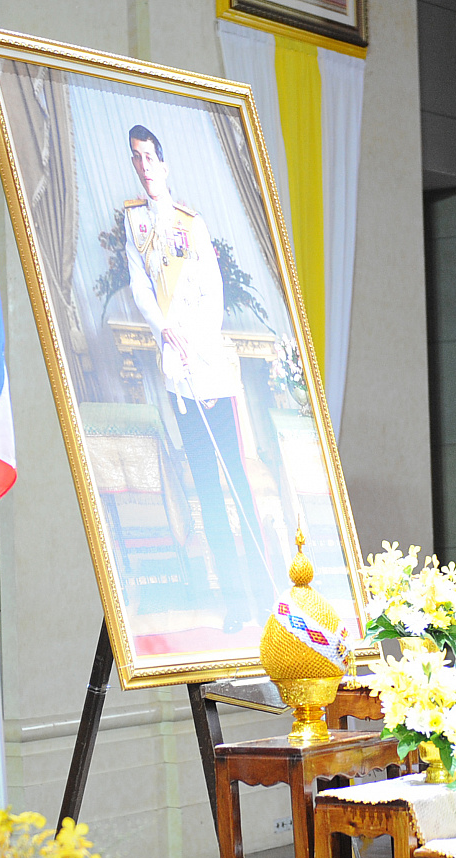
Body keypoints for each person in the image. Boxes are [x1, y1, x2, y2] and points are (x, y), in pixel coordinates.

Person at [122, 123, 272, 630]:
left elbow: (213, 292)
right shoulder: (134, 224)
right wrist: (165, 331)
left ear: (164, 164)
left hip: (210, 369)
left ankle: (265, 594)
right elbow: (141, 287)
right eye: (136, 157)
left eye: (150, 156)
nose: (144, 166)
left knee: (238, 484)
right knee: (207, 490)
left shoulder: (192, 223)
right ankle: (236, 603)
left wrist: (194, 343)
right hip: (177, 374)